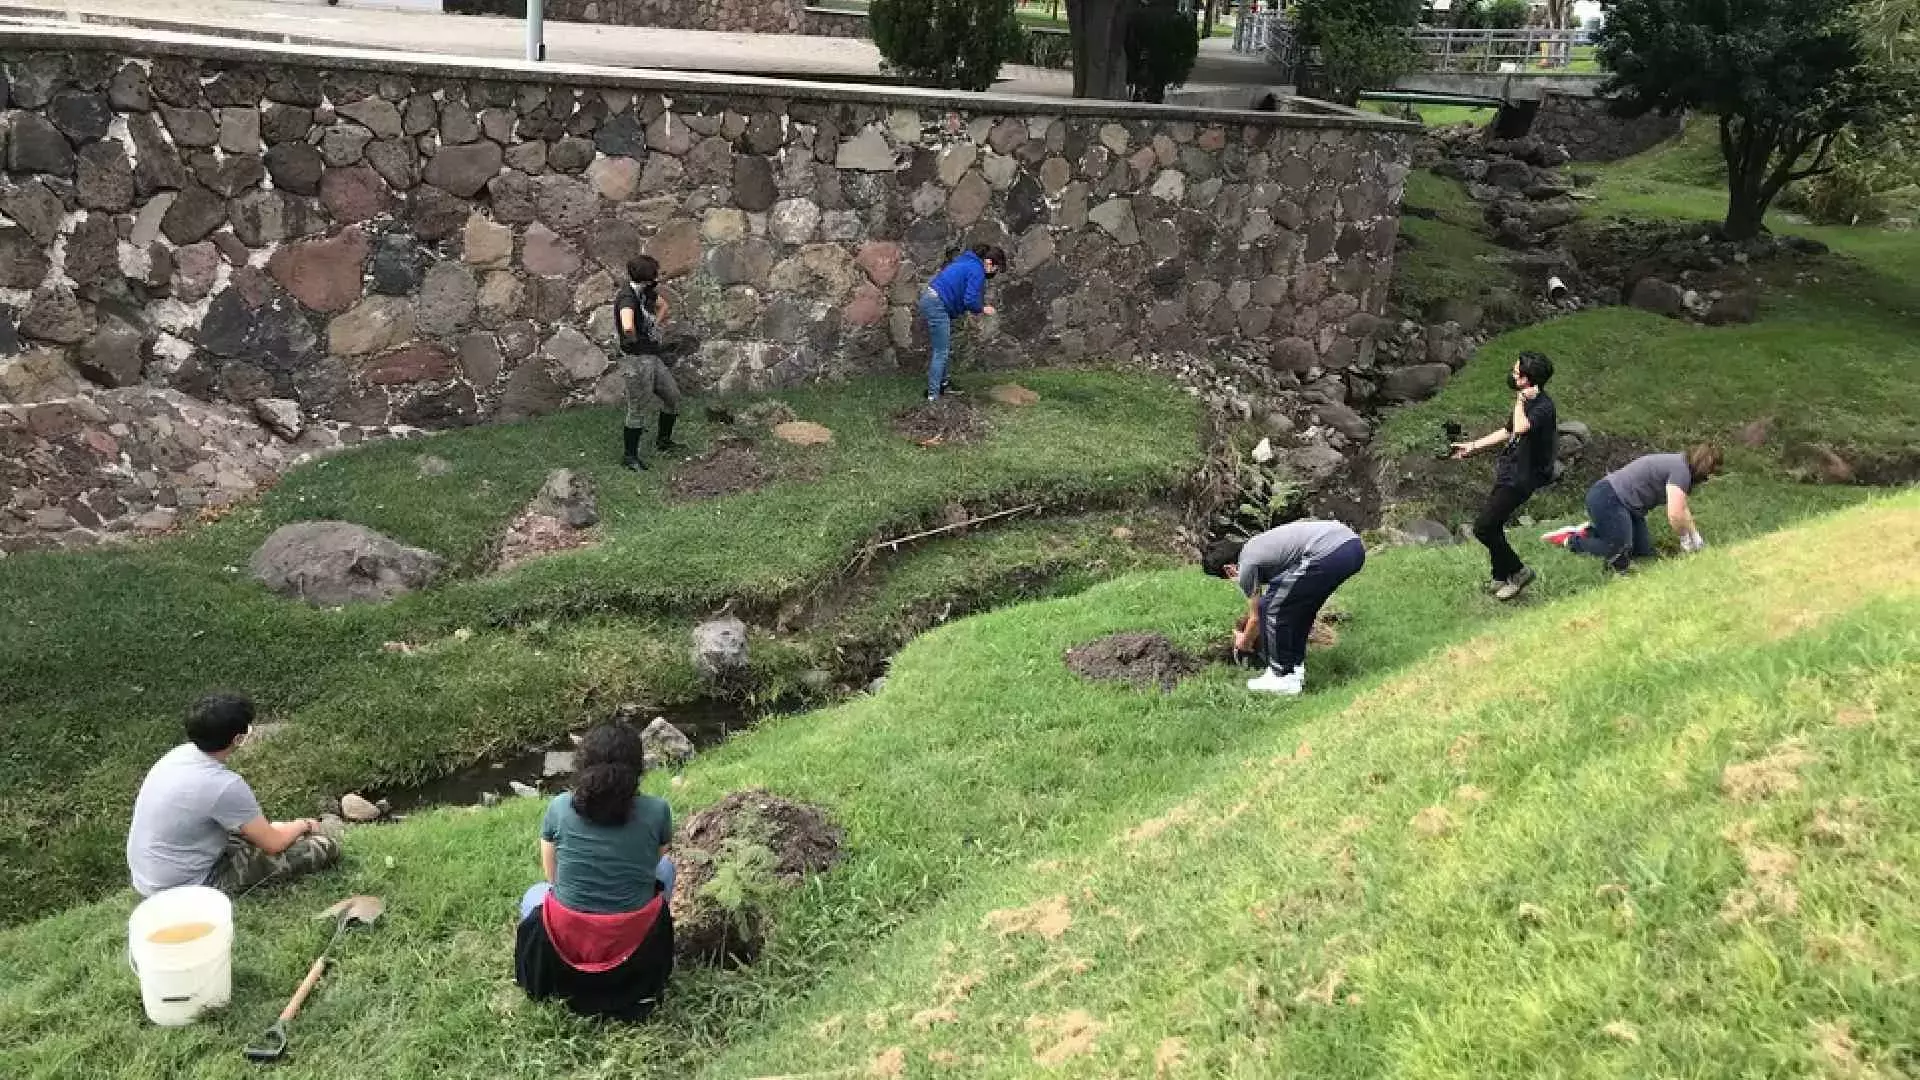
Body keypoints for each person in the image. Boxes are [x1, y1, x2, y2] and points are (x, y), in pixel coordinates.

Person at [514, 724, 676, 1021]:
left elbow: (553, 879)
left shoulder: (559, 808)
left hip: (568, 933)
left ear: (582, 765)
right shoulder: (657, 810)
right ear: (638, 769)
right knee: (667, 869)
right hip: (632, 936)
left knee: (533, 895)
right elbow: (652, 865)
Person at [126, 693, 341, 898]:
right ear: (237, 738)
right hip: (185, 887)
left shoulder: (177, 755)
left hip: (152, 875)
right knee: (323, 847)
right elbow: (273, 844)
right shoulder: (224, 785)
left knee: (257, 834)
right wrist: (303, 824)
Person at [1202, 519, 1367, 696]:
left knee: (1270, 607)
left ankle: (1282, 676)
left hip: (1330, 552)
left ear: (1229, 569)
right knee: (1299, 608)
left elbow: (1256, 617)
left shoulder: (1246, 563)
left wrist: (1243, 642)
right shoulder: (1258, 545)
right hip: (1351, 546)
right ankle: (1295, 667)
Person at [1450, 350, 1558, 602]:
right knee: (1494, 524)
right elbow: (1508, 431)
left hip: (1522, 479)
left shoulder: (1542, 406)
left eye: (1515, 373)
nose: (1511, 375)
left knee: (1484, 528)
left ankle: (1519, 571)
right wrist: (1472, 447)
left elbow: (1521, 427)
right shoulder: (1529, 401)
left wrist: (1520, 401)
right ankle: (1500, 574)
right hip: (1510, 471)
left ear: (1527, 380)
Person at [1543, 444, 1723, 570]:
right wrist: (1685, 540)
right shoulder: (1681, 471)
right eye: (1711, 475)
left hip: (1629, 508)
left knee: (1643, 554)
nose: (1709, 480)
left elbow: (1682, 508)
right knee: (1619, 552)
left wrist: (1695, 536)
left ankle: (1591, 531)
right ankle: (1571, 540)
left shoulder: (1681, 466)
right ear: (1705, 469)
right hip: (1609, 498)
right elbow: (1675, 514)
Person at [616, 256, 695, 471]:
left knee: (673, 397)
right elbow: (626, 323)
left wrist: (654, 328)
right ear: (646, 277)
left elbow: (663, 305)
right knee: (638, 408)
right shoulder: (627, 298)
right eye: (655, 274)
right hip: (636, 360)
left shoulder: (645, 292)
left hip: (652, 357)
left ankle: (664, 441)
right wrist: (633, 336)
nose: (658, 278)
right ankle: (630, 457)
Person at [919, 244, 1004, 402]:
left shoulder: (967, 261)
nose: (994, 273)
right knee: (941, 351)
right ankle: (932, 396)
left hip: (932, 299)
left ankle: (943, 384)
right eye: (996, 269)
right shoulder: (977, 270)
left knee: (942, 349)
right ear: (990, 263)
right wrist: (983, 308)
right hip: (937, 304)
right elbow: (970, 299)